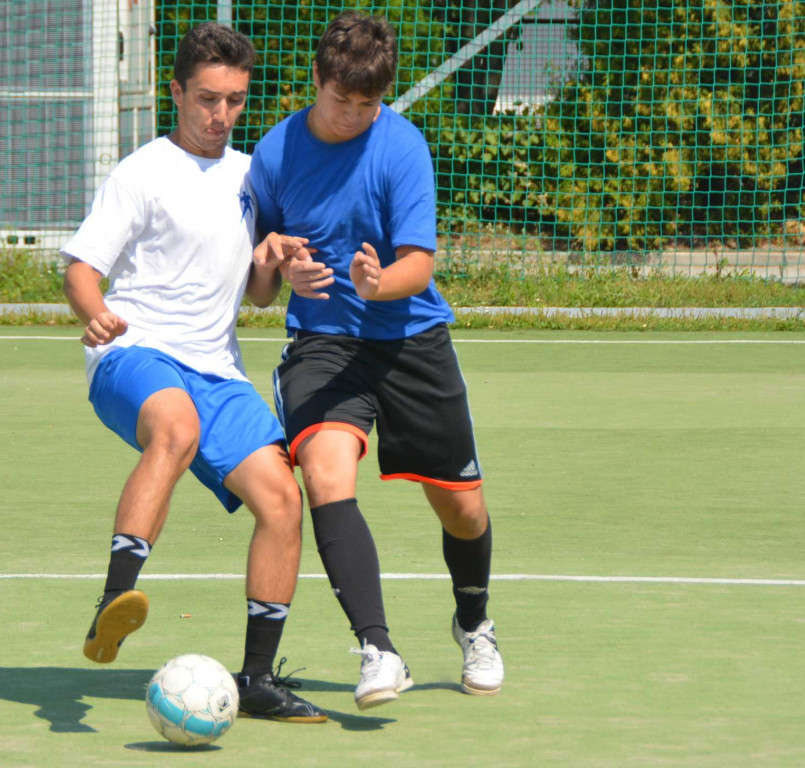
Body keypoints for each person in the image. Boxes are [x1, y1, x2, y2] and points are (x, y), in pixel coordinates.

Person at [60, 22, 325, 724]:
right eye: (207, 98)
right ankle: (114, 602)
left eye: (236, 101)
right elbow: (83, 269)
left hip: (219, 370)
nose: (221, 115)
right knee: (173, 429)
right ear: (175, 92)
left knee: (281, 500)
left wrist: (276, 264)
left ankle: (260, 679)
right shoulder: (141, 171)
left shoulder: (249, 177)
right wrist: (94, 313)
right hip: (134, 352)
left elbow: (258, 295)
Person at [248, 10, 505, 710]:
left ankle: (474, 623)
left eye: (369, 103)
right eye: (342, 100)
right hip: (324, 346)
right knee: (328, 476)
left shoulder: (401, 147)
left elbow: (418, 265)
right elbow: (258, 287)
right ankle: (378, 650)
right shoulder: (273, 153)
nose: (356, 115)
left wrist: (375, 282)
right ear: (316, 81)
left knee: (463, 511)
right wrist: (276, 268)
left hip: (411, 340)